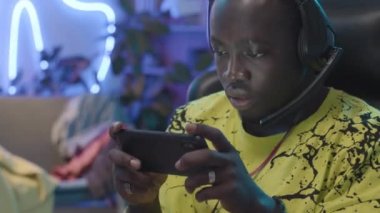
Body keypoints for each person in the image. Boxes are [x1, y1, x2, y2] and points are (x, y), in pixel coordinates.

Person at [109, 0, 380, 212]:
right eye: (221, 51)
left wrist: (257, 208)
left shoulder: (365, 137)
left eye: (254, 52)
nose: (232, 73)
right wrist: (143, 204)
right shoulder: (192, 118)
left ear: (307, 50)